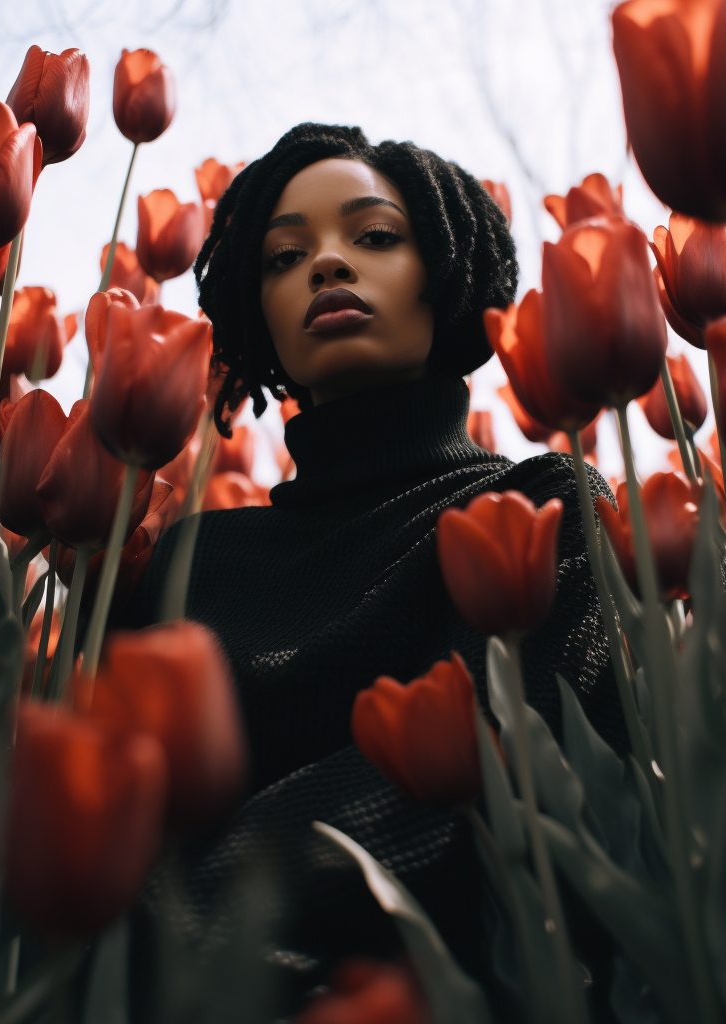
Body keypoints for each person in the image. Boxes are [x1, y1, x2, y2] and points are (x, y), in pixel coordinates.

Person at [120, 122, 626, 1016]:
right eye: (284, 256)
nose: (326, 264)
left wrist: (179, 916)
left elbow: (490, 767)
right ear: (258, 315)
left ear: (445, 273)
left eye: (375, 236)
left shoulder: (544, 511)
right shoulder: (193, 561)